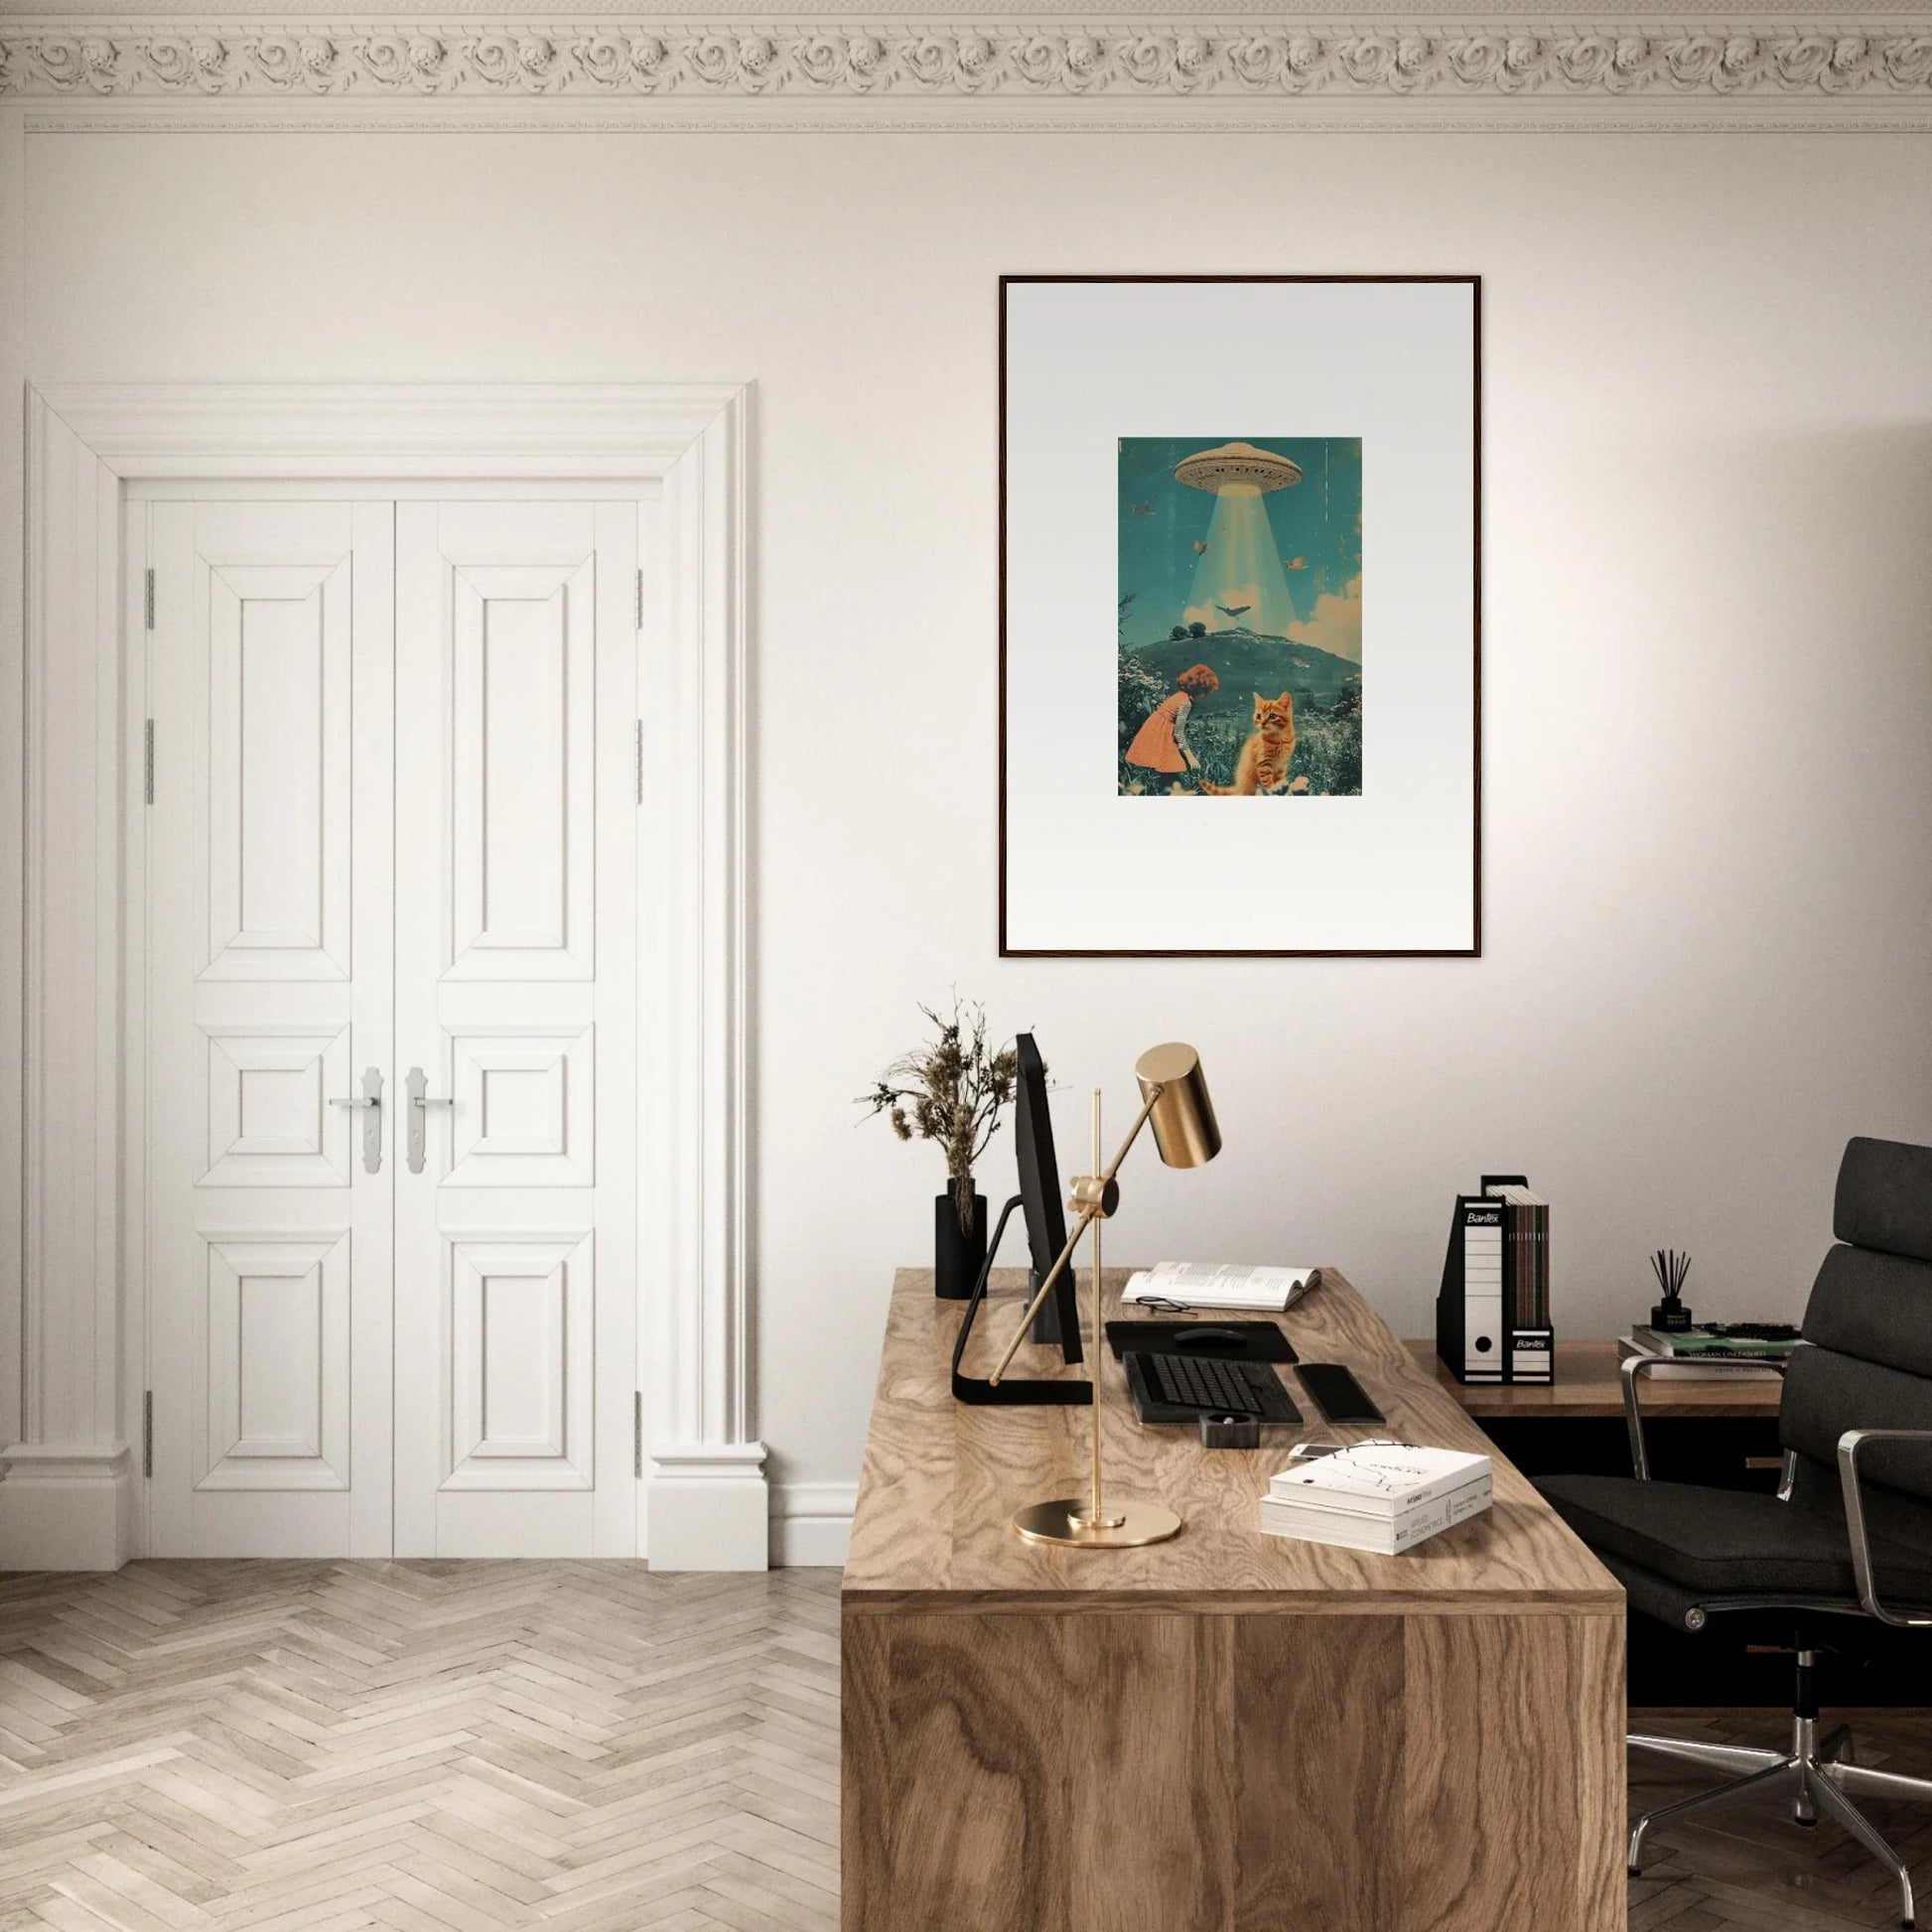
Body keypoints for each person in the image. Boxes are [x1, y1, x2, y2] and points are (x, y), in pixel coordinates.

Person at [1124, 662, 1218, 790]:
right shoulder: (1186, 703)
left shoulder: (1180, 695)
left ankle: (1164, 789)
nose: (1205, 695)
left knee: (1166, 772)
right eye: (1205, 691)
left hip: (1154, 729)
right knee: (1171, 772)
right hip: (1161, 735)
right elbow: (1178, 733)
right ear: (1199, 688)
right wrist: (1191, 758)